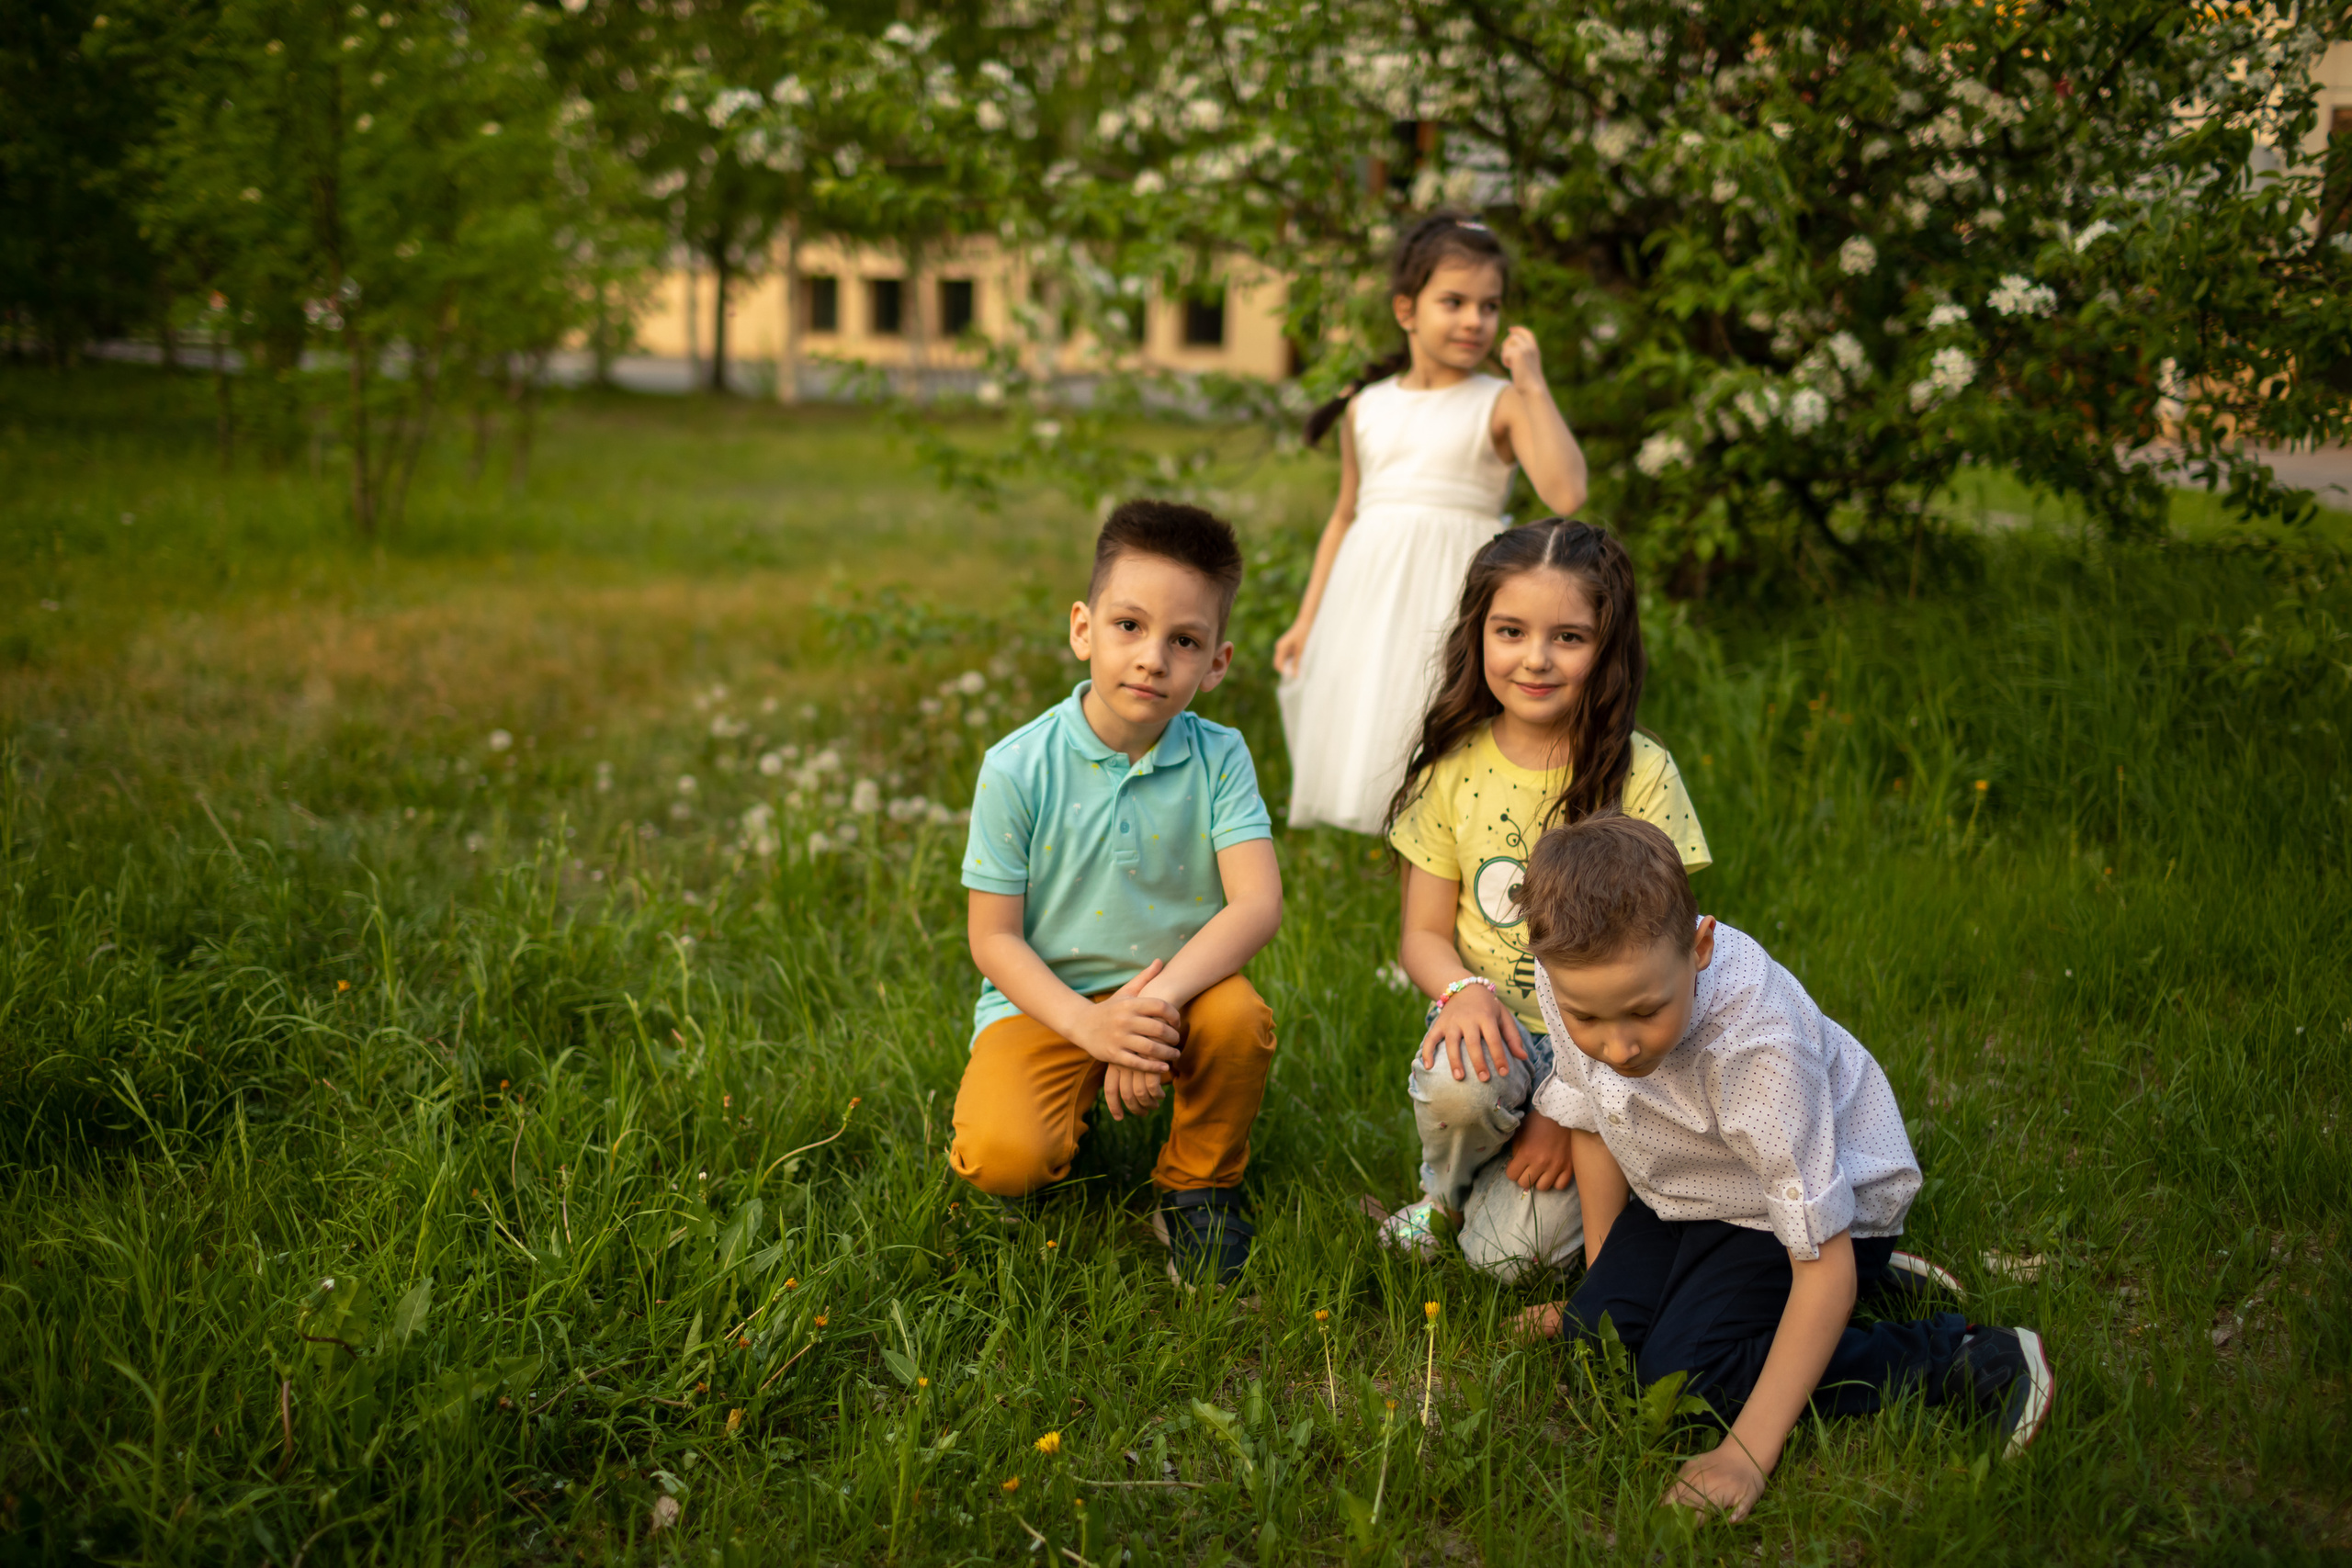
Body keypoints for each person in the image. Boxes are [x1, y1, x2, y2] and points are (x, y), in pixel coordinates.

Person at [1514, 813, 2054, 1519]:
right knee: (1600, 1344)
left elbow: (1817, 1254)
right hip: (1692, 1193)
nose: (1616, 1046)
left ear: (1700, 946)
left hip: (1817, 1217)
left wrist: (1745, 1453)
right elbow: (1592, 1117)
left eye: (1645, 1011)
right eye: (1589, 1020)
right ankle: (1834, 1298)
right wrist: (1605, 1290)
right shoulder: (1577, 977)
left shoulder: (1754, 1050)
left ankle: (1955, 1355)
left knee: (1684, 1380)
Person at [950, 500, 1284, 1287]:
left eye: (1185, 641)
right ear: (1082, 629)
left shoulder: (1220, 758)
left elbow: (1256, 904)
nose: (1152, 658)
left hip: (1181, 992)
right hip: (1048, 1001)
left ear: (1217, 663)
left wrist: (1154, 1008)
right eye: (1129, 626)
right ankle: (1073, 1111)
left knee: (1240, 1019)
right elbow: (993, 938)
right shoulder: (1017, 765)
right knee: (1000, 1158)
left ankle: (1198, 1184)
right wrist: (1092, 1029)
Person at [1374, 520, 1710, 1280]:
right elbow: (1422, 935)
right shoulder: (1450, 770)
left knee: (1507, 1260)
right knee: (1463, 1085)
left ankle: (1541, 1183)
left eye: (1567, 636)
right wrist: (1461, 990)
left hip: (1612, 1043)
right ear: (1478, 634)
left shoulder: (1642, 776)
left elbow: (1663, 959)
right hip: (1494, 1027)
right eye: (1511, 631)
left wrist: (1568, 1109)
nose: (1535, 658)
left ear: (1608, 646)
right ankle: (1446, 1196)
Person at [1274, 210, 1590, 835]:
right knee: (1379, 707)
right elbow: (1344, 517)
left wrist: (1532, 385)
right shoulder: (1366, 408)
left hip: (1455, 587)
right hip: (1369, 597)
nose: (1475, 320)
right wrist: (1307, 619)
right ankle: (1402, 860)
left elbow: (1566, 490)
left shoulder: (1498, 401)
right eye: (1454, 301)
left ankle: (1461, 840)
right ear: (1407, 310)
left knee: (1444, 710)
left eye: (1489, 305)